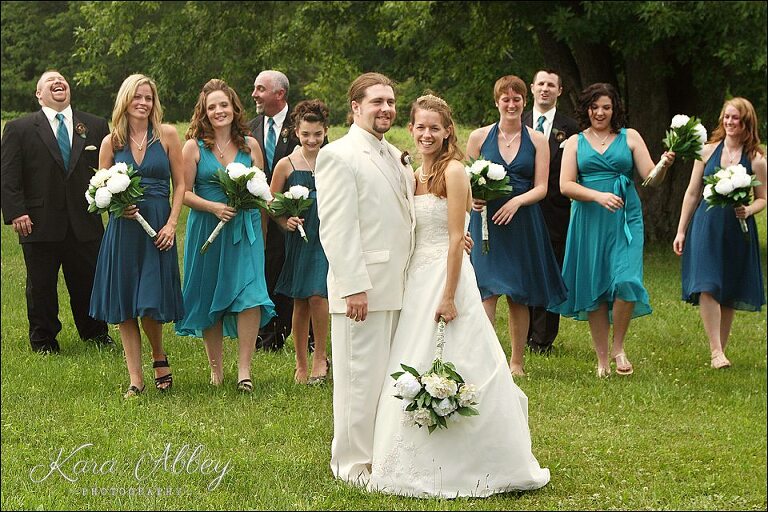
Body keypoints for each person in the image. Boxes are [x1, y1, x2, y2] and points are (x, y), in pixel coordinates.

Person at [368, 94, 550, 498]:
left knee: (457, 354)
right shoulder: (414, 172)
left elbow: (454, 239)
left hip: (445, 278)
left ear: (448, 130)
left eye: (435, 127)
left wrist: (449, 296)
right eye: (420, 126)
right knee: (412, 355)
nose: (427, 133)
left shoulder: (453, 171)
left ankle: (472, 461)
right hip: (415, 279)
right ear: (411, 129)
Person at [315, 72, 415, 485]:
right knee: (358, 380)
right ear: (355, 107)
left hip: (399, 285)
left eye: (390, 102)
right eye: (376, 102)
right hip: (363, 289)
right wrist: (354, 284)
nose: (386, 109)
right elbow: (336, 227)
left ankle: (382, 455)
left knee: (384, 380)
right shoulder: (339, 155)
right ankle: (352, 465)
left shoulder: (392, 154)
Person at [552, 82, 674, 378]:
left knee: (626, 280)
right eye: (595, 107)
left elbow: (650, 179)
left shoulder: (629, 137)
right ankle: (603, 360)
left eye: (606, 107)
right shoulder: (575, 142)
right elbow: (565, 185)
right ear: (586, 109)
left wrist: (665, 165)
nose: (600, 112)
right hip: (589, 218)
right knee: (596, 285)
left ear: (614, 109)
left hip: (624, 216)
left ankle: (619, 347)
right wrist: (597, 195)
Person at [1, 70, 113, 353]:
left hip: (85, 221)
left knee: (88, 280)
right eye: (49, 81)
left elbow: (109, 171)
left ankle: (95, 333)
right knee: (41, 286)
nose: (58, 82)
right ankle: (44, 340)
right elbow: (8, 175)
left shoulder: (95, 126)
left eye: (62, 79)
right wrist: (16, 212)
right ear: (39, 94)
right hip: (38, 222)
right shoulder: (20, 128)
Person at [176, 79, 276, 392]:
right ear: (204, 113)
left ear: (234, 107)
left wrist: (267, 223)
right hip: (207, 229)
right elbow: (182, 194)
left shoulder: (250, 145)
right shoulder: (193, 147)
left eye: (224, 105)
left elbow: (262, 191)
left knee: (250, 296)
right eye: (212, 107)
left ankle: (244, 371)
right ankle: (216, 371)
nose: (220, 111)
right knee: (210, 295)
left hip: (245, 229)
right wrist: (213, 207)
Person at [89, 74, 185, 397]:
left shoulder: (168, 135)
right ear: (125, 101)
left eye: (149, 98)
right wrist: (118, 208)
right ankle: (136, 378)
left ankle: (158, 353)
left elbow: (181, 184)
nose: (143, 103)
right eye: (137, 98)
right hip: (125, 230)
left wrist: (172, 224)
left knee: (149, 302)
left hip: (158, 224)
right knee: (125, 303)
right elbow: (101, 188)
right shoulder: (110, 142)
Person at [466, 75, 567, 377]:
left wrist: (517, 202)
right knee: (486, 291)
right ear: (497, 102)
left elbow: (541, 187)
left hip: (522, 222)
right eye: (505, 99)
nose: (511, 104)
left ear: (524, 102)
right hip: (487, 224)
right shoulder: (478, 137)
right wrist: (474, 199)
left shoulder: (537, 140)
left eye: (517, 99)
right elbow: (467, 179)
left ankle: (517, 362)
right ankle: (484, 360)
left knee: (518, 294)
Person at [673, 97, 766, 369]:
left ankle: (720, 351)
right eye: (726, 117)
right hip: (706, 224)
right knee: (707, 283)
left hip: (737, 229)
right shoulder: (707, 150)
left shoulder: (756, 159)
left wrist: (749, 210)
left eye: (735, 118)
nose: (729, 122)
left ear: (746, 122)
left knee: (727, 288)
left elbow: (763, 197)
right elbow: (692, 193)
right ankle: (715, 351)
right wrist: (681, 230)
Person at [269, 100, 330, 385]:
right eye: (306, 134)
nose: (312, 140)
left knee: (319, 294)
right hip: (300, 237)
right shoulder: (286, 164)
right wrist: (285, 222)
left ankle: (320, 356)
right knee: (300, 300)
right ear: (296, 131)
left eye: (317, 134)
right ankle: (300, 363)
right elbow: (270, 203)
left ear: (325, 131)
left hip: (327, 235)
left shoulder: (333, 159)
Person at [523, 69, 579, 355]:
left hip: (556, 211)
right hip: (520, 209)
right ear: (532, 88)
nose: (545, 89)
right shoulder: (515, 121)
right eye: (541, 84)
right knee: (525, 270)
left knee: (550, 271)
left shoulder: (571, 128)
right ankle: (523, 330)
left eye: (551, 85)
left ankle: (543, 339)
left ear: (559, 91)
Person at [249, 70, 301, 352]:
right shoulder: (250, 127)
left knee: (291, 271)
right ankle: (266, 335)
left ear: (279, 94)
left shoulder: (301, 125)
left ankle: (295, 329)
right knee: (265, 268)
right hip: (259, 214)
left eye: (260, 89)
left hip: (294, 212)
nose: (254, 94)